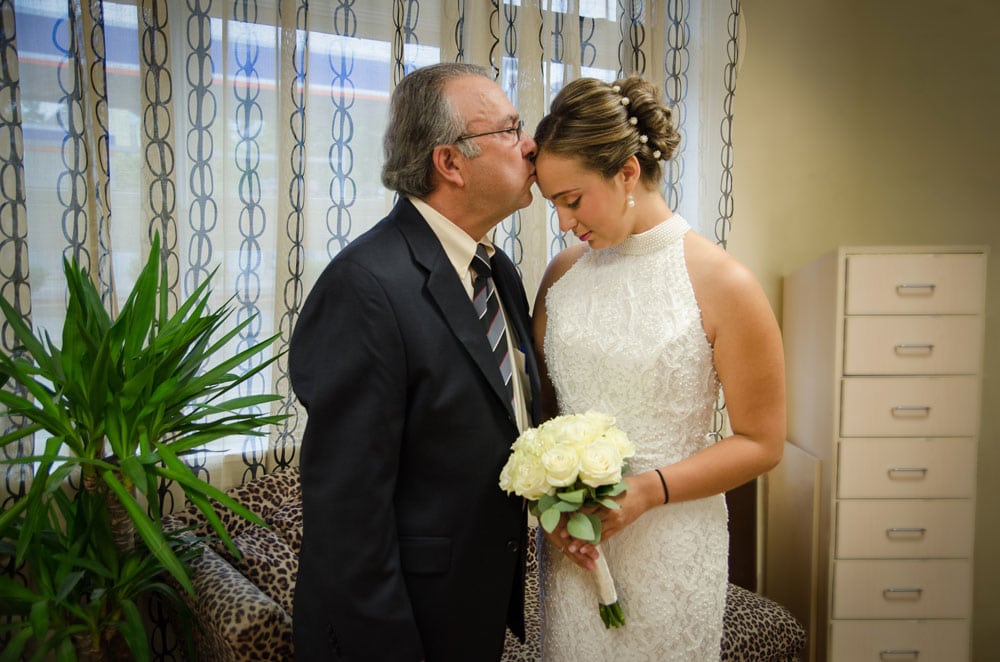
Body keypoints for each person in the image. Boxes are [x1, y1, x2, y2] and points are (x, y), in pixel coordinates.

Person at [289, 62, 541, 661]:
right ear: (449, 163)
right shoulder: (364, 285)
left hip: (471, 610)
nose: (529, 143)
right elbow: (349, 518)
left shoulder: (497, 270)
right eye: (508, 130)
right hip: (396, 627)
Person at [530, 76, 786, 660]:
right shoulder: (561, 276)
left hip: (670, 544)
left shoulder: (724, 283)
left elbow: (762, 441)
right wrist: (547, 503)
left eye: (572, 200)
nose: (565, 223)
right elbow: (540, 414)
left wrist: (648, 490)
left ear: (625, 173)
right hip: (574, 549)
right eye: (554, 205)